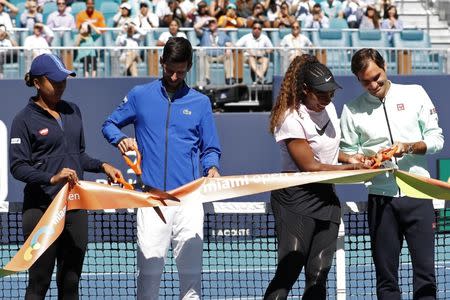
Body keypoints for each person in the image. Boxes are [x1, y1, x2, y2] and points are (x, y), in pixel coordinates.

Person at [102, 37, 221, 300]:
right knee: (148, 277)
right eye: (170, 70)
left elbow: (210, 148)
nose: (175, 76)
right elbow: (109, 124)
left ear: (189, 66)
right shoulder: (139, 95)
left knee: (191, 279)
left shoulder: (200, 103)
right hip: (151, 200)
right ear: (161, 62)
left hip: (189, 200)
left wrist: (211, 167)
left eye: (182, 71)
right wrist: (120, 139)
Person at [9, 53, 122, 299]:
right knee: (38, 284)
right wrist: (51, 178)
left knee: (70, 283)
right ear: (38, 83)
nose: (61, 85)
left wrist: (103, 166)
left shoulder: (73, 111)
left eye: (64, 80)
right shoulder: (23, 120)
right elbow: (17, 167)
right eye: (54, 81)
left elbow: (78, 155)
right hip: (41, 212)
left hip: (75, 209)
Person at [340, 48, 444, 300]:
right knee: (386, 279)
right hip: (381, 199)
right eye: (366, 81)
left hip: (419, 195)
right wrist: (361, 161)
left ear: (384, 66)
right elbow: (344, 152)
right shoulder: (351, 110)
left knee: (426, 275)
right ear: (357, 80)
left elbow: (436, 139)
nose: (374, 84)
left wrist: (407, 147)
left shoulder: (415, 93)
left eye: (377, 77)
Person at [265, 54, 368, 299]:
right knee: (289, 270)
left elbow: (328, 150)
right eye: (321, 93)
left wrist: (351, 159)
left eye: (331, 93)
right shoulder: (289, 117)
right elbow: (310, 165)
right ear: (305, 90)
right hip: (294, 197)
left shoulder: (330, 108)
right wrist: (348, 170)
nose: (327, 98)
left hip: (325, 197)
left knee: (319, 275)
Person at [195, 16, 234, 85]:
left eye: (213, 22)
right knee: (202, 56)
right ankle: (206, 79)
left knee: (229, 55)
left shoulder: (222, 34)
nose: (211, 24)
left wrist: (229, 49)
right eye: (210, 23)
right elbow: (196, 27)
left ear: (216, 24)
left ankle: (229, 78)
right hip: (208, 56)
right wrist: (207, 19)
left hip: (220, 56)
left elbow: (230, 44)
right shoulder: (204, 32)